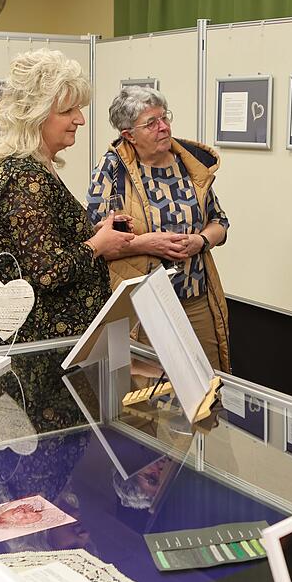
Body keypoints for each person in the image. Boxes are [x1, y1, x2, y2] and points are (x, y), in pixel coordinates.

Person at [0, 49, 132, 343]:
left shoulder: (37, 168)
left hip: (57, 342)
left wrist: (94, 234)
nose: (80, 120)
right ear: (34, 116)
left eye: (79, 109)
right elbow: (48, 272)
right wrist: (98, 244)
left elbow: (44, 247)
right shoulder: (23, 177)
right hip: (41, 350)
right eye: (67, 111)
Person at [88, 87, 230, 372]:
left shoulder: (188, 165)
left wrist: (200, 241)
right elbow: (97, 241)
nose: (163, 127)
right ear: (129, 134)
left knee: (208, 387)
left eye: (164, 118)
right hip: (143, 307)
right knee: (147, 399)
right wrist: (146, 244)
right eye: (151, 123)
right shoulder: (113, 170)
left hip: (196, 299)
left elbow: (220, 223)